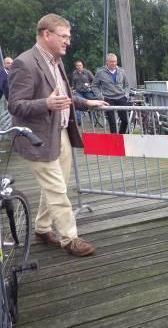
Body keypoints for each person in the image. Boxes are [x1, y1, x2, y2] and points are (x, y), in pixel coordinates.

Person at [8, 13, 108, 256]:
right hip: (37, 138)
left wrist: (88, 103)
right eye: (64, 36)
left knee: (56, 186)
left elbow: (64, 97)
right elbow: (14, 105)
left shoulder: (56, 61)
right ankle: (69, 238)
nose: (68, 42)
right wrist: (46, 104)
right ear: (46, 34)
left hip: (60, 132)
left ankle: (42, 228)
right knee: (57, 190)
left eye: (68, 37)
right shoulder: (25, 63)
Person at [92, 53, 130, 134]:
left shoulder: (122, 71)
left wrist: (126, 95)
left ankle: (120, 135)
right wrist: (100, 97)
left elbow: (126, 85)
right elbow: (94, 86)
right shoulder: (100, 72)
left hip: (121, 98)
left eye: (115, 62)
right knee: (112, 123)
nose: (114, 64)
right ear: (107, 62)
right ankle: (114, 139)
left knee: (125, 121)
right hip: (108, 99)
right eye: (112, 62)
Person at [71, 60, 95, 125]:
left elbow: (94, 80)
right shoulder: (74, 73)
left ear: (82, 65)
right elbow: (73, 83)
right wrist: (73, 89)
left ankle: (93, 120)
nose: (79, 67)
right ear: (76, 66)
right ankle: (78, 121)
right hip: (78, 91)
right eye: (77, 65)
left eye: (80, 65)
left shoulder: (87, 72)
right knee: (76, 103)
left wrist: (90, 86)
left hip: (87, 91)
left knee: (91, 102)